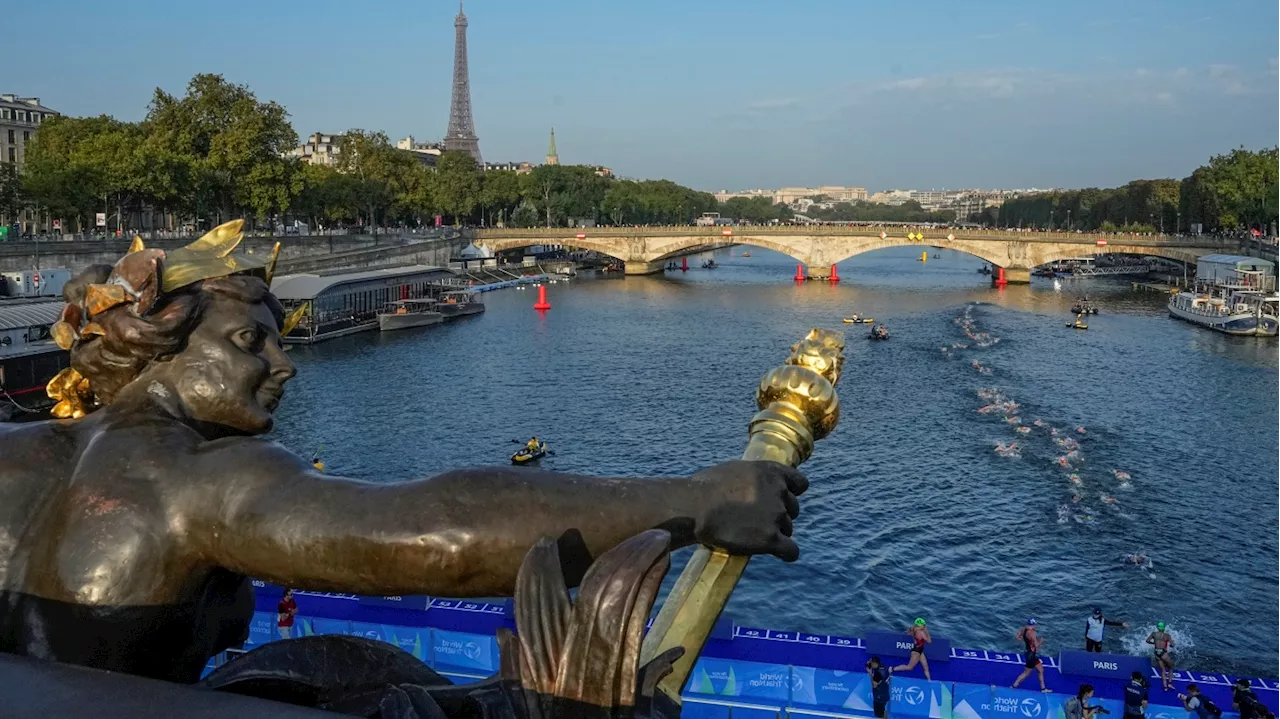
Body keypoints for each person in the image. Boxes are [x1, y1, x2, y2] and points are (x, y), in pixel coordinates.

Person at [0, 228, 808, 684]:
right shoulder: (196, 479)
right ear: (163, 348)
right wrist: (699, 502)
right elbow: (440, 532)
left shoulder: (23, 453)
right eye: (251, 341)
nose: (283, 365)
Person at [1012, 618, 1052, 692]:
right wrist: (1041, 641)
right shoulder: (1032, 633)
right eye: (1035, 625)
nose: (1036, 626)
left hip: (1028, 653)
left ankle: (1043, 688)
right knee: (1026, 673)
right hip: (1031, 655)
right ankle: (1014, 686)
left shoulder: (1024, 629)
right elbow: (1036, 646)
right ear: (1033, 624)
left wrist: (1024, 640)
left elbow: (1017, 637)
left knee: (1040, 670)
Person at [1146, 622, 1175, 690]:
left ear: (1158, 628)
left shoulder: (1154, 634)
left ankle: (1165, 687)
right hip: (1163, 653)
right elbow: (1172, 644)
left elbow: (1147, 640)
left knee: (1163, 670)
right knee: (1171, 667)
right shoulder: (1167, 635)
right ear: (1164, 628)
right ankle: (1170, 684)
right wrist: (1171, 645)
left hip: (1156, 653)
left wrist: (1153, 643)